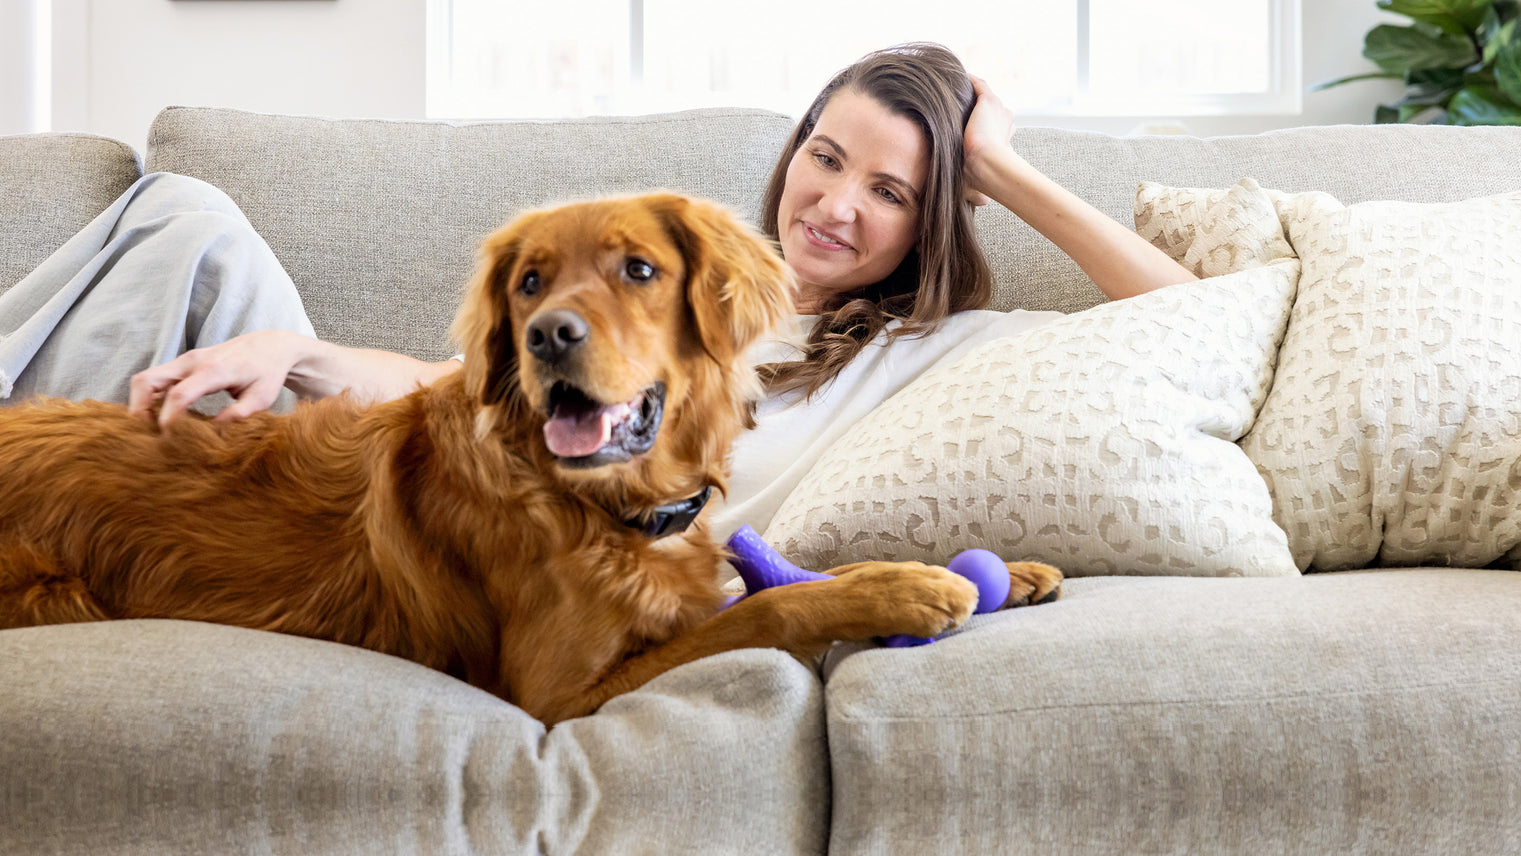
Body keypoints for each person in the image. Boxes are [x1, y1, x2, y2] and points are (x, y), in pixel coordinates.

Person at [0, 42, 1194, 538]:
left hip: (521, 532)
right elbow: (463, 389)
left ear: (934, 217)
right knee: (184, 216)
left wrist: (1003, 169)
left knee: (182, 222)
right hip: (384, 461)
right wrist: (293, 358)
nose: (834, 204)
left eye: (890, 191)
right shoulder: (675, 295)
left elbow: (1190, 321)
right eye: (827, 158)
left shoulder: (933, 353)